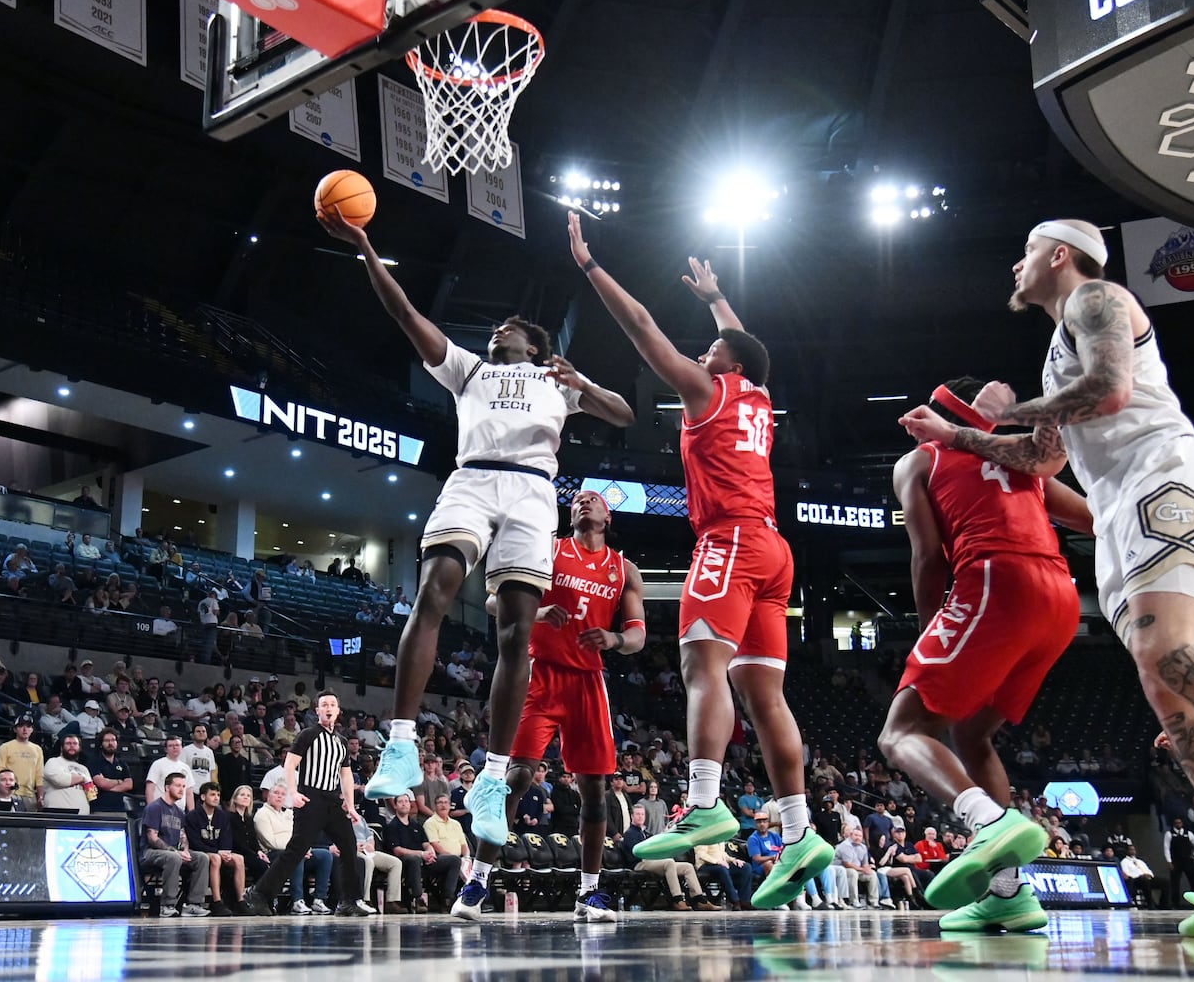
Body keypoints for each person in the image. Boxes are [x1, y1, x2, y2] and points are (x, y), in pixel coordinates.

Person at [899, 219, 1194, 936]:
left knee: (1170, 655)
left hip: (1162, 475)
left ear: (1056, 255)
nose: (1014, 270)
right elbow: (1045, 460)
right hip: (1118, 511)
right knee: (1163, 678)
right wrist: (957, 437)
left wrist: (997, 411)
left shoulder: (1095, 298)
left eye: (1022, 254)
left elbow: (1109, 392)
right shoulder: (1055, 350)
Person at [319, 208, 634, 849]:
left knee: (517, 634)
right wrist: (364, 247)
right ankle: (401, 744)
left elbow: (625, 414)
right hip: (471, 480)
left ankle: (492, 779)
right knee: (434, 591)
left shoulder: (557, 378)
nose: (496, 332)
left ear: (534, 346)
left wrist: (586, 386)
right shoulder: (468, 368)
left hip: (533, 493)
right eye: (495, 329)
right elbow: (407, 314)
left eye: (508, 328)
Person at [568, 215, 827, 907]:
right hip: (774, 551)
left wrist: (590, 266)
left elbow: (643, 329)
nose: (701, 352)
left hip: (730, 541)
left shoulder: (705, 391)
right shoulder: (759, 396)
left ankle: (706, 801)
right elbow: (748, 347)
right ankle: (800, 831)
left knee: (699, 665)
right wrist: (716, 301)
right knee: (763, 694)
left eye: (710, 347)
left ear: (725, 366)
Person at [876, 375, 1091, 932]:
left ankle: (987, 823)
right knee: (971, 734)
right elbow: (1094, 518)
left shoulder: (918, 460)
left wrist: (931, 630)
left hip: (997, 580)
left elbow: (927, 559)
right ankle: (1009, 893)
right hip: (1062, 601)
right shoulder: (1021, 460)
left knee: (901, 733)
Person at [453, 489, 645, 922]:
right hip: (539, 675)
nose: (582, 501)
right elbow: (491, 600)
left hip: (587, 683)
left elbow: (637, 635)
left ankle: (589, 893)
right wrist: (535, 614)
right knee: (516, 778)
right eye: (576, 498)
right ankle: (478, 880)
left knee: (594, 792)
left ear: (608, 516)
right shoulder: (547, 550)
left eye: (592, 498)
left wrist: (613, 639)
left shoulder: (624, 569)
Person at [249, 691, 368, 916]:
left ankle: (349, 900)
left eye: (333, 704)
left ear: (338, 711)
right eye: (324, 705)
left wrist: (350, 805)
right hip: (310, 797)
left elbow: (346, 776)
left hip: (333, 799)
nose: (329, 708)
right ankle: (259, 894)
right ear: (318, 711)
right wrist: (292, 792)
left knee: (350, 847)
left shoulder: (341, 741)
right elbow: (289, 764)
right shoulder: (308, 734)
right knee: (297, 849)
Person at [142, 772, 212, 918]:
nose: (182, 789)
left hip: (174, 852)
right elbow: (152, 838)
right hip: (150, 852)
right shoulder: (154, 807)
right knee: (173, 858)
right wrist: (175, 851)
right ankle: (166, 905)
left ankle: (193, 904)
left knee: (202, 858)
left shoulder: (179, 812)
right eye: (178, 785)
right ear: (167, 787)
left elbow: (183, 836)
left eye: (184, 786)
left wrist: (185, 850)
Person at [186, 782, 250, 915]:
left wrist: (225, 851)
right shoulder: (192, 816)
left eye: (218, 795)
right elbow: (194, 842)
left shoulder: (223, 816)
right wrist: (218, 852)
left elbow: (227, 838)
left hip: (219, 852)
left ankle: (240, 901)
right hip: (200, 852)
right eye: (212, 795)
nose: (216, 798)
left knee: (239, 859)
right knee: (216, 859)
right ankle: (216, 902)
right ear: (203, 797)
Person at [0, 715, 45, 809]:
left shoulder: (37, 749)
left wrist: (40, 797)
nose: (25, 729)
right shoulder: (5, 747)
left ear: (32, 730)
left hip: (30, 796)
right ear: (15, 729)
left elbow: (39, 776)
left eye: (28, 726)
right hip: (10, 794)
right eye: (21, 726)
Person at [40, 734, 93, 814]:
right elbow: (60, 780)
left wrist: (80, 779)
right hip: (57, 815)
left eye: (75, 744)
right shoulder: (53, 762)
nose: (72, 746)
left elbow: (91, 794)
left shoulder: (84, 769)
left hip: (82, 817)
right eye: (68, 743)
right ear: (61, 747)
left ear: (79, 748)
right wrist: (82, 778)